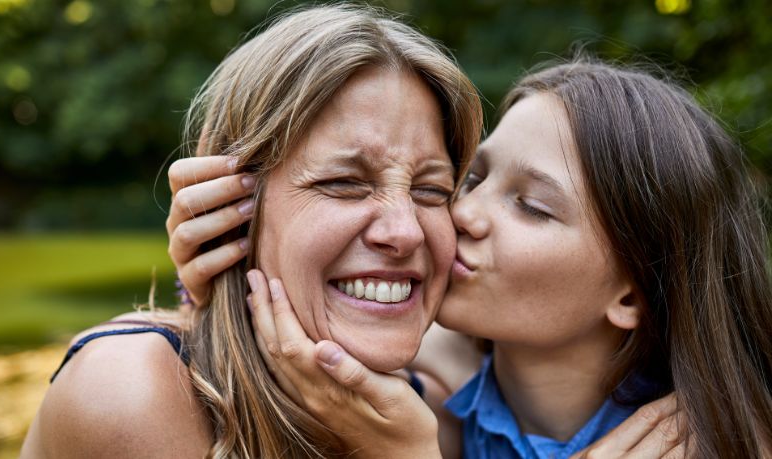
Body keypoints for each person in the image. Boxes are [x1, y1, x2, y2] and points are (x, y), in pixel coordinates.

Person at [172, 58, 772, 458]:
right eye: (473, 178)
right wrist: (221, 264)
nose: (459, 215)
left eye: (532, 207)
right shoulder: (409, 402)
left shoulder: (704, 442)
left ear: (630, 295)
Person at [20, 5, 482, 458]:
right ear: (228, 206)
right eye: (343, 183)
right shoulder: (131, 393)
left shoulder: (439, 414)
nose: (406, 233)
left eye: (430, 190)